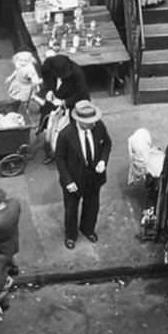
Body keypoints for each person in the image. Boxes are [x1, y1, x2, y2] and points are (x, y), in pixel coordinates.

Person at [54, 100, 112, 250]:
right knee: (71, 209)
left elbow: (107, 144)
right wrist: (67, 181)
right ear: (80, 121)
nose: (93, 124)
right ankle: (71, 235)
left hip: (94, 176)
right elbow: (59, 158)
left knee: (92, 205)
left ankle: (87, 229)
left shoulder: (99, 127)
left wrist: (103, 161)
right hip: (74, 178)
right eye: (89, 122)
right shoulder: (65, 135)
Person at [38, 53, 90, 162]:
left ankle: (74, 151)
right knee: (48, 122)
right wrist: (49, 91)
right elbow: (47, 80)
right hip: (57, 95)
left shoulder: (77, 72)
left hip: (73, 98)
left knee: (72, 127)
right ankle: (49, 150)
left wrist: (65, 103)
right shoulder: (47, 66)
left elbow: (83, 94)